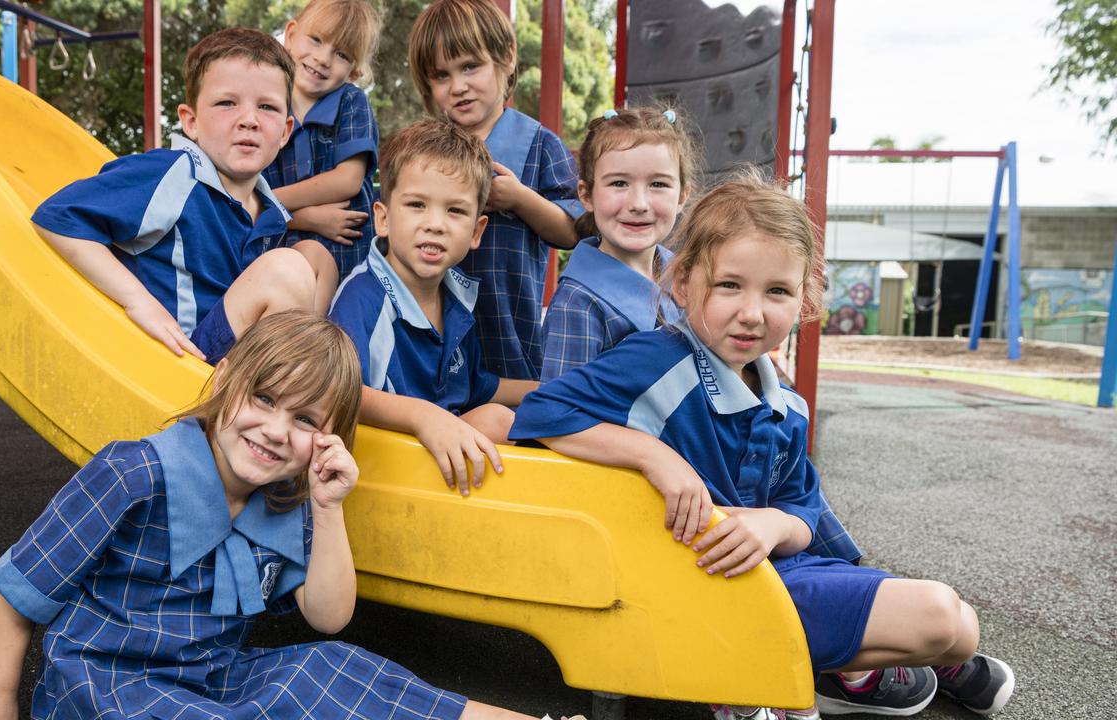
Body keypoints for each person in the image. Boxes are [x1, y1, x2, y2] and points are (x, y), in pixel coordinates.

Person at [509, 172, 1016, 719]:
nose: (752, 312)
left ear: (804, 297)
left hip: (768, 569)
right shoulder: (656, 360)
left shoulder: (785, 400)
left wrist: (772, 523)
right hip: (696, 584)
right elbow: (541, 412)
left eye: (777, 291)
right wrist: (654, 456)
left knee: (961, 629)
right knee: (941, 616)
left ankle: (812, 672)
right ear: (683, 286)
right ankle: (770, 674)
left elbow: (803, 509)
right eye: (729, 285)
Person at [0, 310, 581, 720]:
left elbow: (329, 618)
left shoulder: (289, 500)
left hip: (213, 679)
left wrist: (330, 509)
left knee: (333, 668)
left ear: (328, 437)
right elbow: (26, 586)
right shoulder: (134, 473)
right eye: (264, 398)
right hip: (107, 685)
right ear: (227, 379)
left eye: (305, 420)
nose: (275, 431)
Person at [32, 28, 334, 366]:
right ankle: (280, 394)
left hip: (226, 358)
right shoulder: (171, 173)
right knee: (287, 269)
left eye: (267, 107)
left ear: (285, 132)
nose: (249, 120)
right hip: (180, 359)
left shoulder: (271, 211)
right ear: (190, 122)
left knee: (315, 255)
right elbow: (57, 217)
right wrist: (137, 300)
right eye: (226, 103)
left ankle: (302, 378)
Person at [329, 120, 538, 496]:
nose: (435, 225)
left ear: (477, 231)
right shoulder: (365, 297)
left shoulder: (457, 298)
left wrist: (549, 388)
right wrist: (424, 416)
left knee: (523, 419)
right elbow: (339, 391)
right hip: (378, 471)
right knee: (497, 425)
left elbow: (477, 387)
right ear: (384, 217)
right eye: (416, 205)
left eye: (455, 211)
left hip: (438, 463)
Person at [408, 0, 583, 381]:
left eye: (471, 66)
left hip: (508, 326)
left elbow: (571, 230)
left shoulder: (539, 145)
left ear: (506, 57)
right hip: (434, 318)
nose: (458, 86)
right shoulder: (425, 149)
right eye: (441, 75)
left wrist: (519, 198)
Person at [539, 107, 696, 382]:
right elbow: (559, 416)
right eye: (619, 183)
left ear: (682, 195)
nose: (638, 204)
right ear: (586, 195)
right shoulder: (578, 303)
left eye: (658, 184)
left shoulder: (686, 276)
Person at [266, 0, 382, 295]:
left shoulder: (351, 103)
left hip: (348, 258)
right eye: (316, 40)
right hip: (283, 259)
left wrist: (268, 201)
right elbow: (247, 202)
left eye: (341, 54)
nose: (323, 58)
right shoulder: (267, 107)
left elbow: (347, 180)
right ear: (290, 35)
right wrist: (306, 219)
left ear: (354, 71)